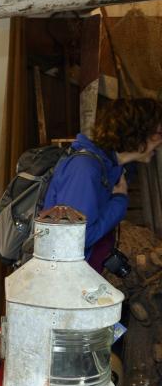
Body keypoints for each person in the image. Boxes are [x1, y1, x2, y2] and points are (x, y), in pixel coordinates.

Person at [43, 98, 162, 272]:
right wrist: (119, 202)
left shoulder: (110, 168)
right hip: (61, 281)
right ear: (137, 132)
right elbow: (76, 239)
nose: (160, 142)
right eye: (159, 133)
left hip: (80, 276)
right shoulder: (84, 169)